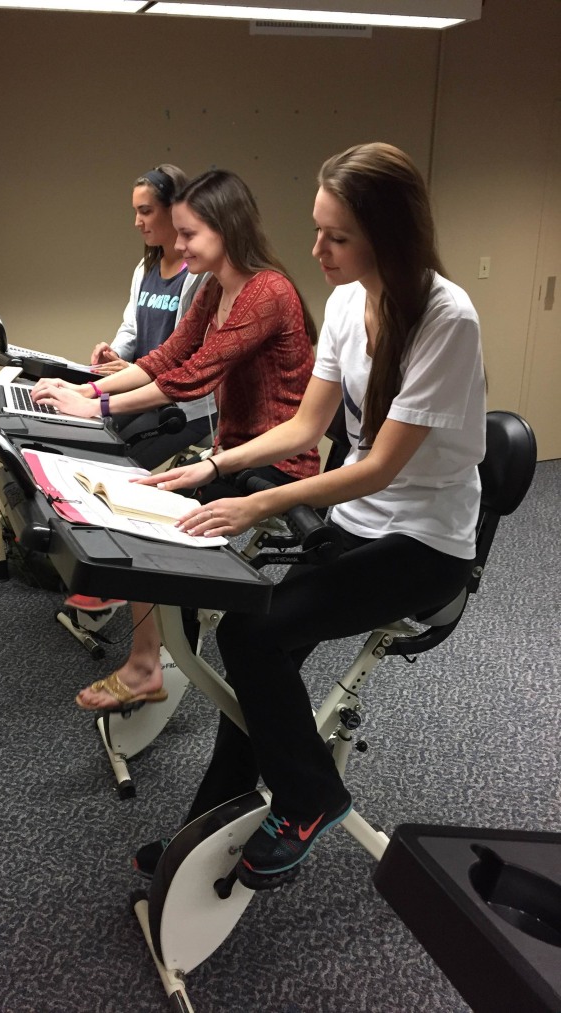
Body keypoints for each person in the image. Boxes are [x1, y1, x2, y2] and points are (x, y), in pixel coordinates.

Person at [131, 142, 486, 891]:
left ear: (389, 235)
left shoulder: (447, 319)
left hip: (425, 544)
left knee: (253, 634)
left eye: (337, 236)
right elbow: (304, 427)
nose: (316, 249)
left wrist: (258, 501)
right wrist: (213, 466)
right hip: (360, 524)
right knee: (263, 655)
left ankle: (310, 797)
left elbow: (381, 466)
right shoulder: (347, 301)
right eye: (317, 228)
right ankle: (210, 826)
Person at [31, 169, 321, 711]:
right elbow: (166, 358)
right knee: (138, 509)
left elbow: (194, 377)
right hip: (231, 455)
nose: (178, 245)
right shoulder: (215, 289)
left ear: (227, 228)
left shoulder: (267, 292)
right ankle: (152, 656)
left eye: (189, 234)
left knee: (150, 522)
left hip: (278, 465)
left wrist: (96, 405)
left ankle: (146, 665)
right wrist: (86, 389)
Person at [89, 164, 217, 471]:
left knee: (120, 466)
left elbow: (186, 351)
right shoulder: (145, 269)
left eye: (145, 211)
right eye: (135, 212)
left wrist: (132, 370)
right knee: (92, 440)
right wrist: (115, 353)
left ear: (174, 210)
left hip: (183, 405)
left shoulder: (201, 274)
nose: (137, 222)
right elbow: (131, 325)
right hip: (143, 388)